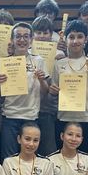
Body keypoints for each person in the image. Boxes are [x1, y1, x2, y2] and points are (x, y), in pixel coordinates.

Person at [49, 20, 88, 155]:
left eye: (80, 36)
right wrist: (52, 90)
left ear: (85, 39)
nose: (75, 41)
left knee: (84, 159)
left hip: (85, 118)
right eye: (71, 37)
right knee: (63, 157)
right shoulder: (58, 64)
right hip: (63, 117)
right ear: (66, 39)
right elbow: (54, 90)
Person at [0, 22, 50, 159]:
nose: (22, 40)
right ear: (12, 40)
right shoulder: (4, 63)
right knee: (9, 159)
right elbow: (0, 96)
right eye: (18, 36)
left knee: (29, 158)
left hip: (31, 117)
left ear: (31, 40)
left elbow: (45, 93)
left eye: (26, 36)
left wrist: (42, 80)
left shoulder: (39, 61)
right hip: (10, 117)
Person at [32, 16, 66, 156]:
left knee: (48, 149)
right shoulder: (26, 53)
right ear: (33, 34)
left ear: (51, 35)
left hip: (48, 108)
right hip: (29, 107)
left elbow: (62, 80)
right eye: (38, 33)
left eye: (45, 33)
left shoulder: (59, 54)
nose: (41, 36)